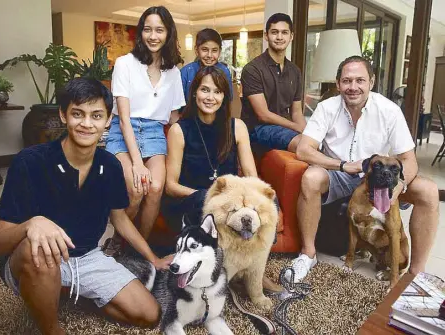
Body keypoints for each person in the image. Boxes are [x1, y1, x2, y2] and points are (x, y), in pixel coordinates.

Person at [0, 78, 173, 335]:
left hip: (87, 257)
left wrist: (154, 259)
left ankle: (71, 290)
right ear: (64, 115)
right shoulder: (29, 162)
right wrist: (32, 224)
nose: (87, 124)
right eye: (78, 114)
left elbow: (120, 220)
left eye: (96, 115)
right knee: (39, 247)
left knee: (149, 314)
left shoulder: (110, 165)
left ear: (108, 120)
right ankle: (51, 328)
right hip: (36, 257)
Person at [290, 55, 439, 282]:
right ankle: (308, 253)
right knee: (311, 177)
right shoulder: (326, 108)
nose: (353, 87)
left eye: (360, 80)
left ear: (371, 82)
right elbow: (304, 150)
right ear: (338, 83)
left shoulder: (389, 110)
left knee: (428, 191)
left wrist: (398, 186)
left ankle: (416, 273)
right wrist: (342, 165)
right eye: (347, 81)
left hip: (379, 175)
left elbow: (410, 160)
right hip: (338, 173)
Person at [162, 66, 283, 293]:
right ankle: (212, 279)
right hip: (190, 200)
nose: (210, 97)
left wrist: (264, 203)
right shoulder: (180, 130)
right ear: (194, 93)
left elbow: (251, 175)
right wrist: (210, 199)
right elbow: (170, 186)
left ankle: (254, 272)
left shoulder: (237, 127)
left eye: (217, 92)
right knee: (205, 205)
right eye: (204, 90)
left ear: (225, 96)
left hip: (229, 202)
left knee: (266, 206)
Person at [105, 6, 185, 247]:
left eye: (159, 30)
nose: (153, 36)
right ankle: (119, 241)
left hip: (154, 133)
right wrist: (138, 163)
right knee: (136, 188)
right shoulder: (124, 64)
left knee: (156, 186)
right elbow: (125, 118)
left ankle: (140, 247)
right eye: (147, 29)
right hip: (123, 131)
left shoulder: (173, 72)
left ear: (169, 33)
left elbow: (174, 119)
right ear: (140, 33)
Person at [241, 13, 307, 153]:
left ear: (291, 36)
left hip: (285, 129)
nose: (279, 37)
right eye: (274, 32)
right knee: (304, 145)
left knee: (314, 142)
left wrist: (307, 132)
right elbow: (263, 114)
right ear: (266, 35)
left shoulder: (295, 71)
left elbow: (296, 112)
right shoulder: (252, 69)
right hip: (258, 129)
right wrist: (296, 128)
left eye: (284, 32)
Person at [180, 28, 233, 104]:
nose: (209, 55)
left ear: (220, 51)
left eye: (214, 50)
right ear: (196, 50)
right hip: (188, 114)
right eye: (205, 49)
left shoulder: (224, 71)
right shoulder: (186, 71)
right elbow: (178, 103)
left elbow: (228, 100)